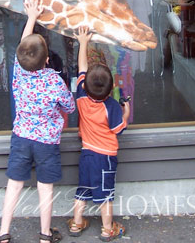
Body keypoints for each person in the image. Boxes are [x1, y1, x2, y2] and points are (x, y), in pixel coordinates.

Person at [0, 0, 75, 243]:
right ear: (47, 59)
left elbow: (23, 45)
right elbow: (69, 106)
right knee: (45, 187)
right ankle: (45, 235)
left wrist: (31, 18)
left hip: (21, 138)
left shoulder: (18, 71)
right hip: (47, 142)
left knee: (14, 183)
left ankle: (4, 232)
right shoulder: (54, 81)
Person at [67, 27, 130, 242]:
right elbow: (118, 129)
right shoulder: (111, 106)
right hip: (105, 157)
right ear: (110, 89)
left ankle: (76, 223)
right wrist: (126, 112)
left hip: (87, 154)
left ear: (85, 84)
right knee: (106, 194)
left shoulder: (81, 96)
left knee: (83, 190)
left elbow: (82, 69)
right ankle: (107, 229)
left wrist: (83, 42)